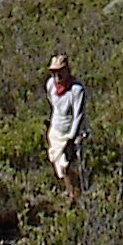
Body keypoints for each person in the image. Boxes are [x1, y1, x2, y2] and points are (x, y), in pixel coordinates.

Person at [45, 53, 88, 205]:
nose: (57, 77)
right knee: (61, 167)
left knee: (69, 164)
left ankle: (76, 195)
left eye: (60, 72)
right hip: (57, 132)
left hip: (71, 133)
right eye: (54, 73)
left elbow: (78, 115)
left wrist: (72, 138)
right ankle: (72, 193)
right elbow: (54, 105)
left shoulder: (76, 90)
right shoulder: (50, 85)